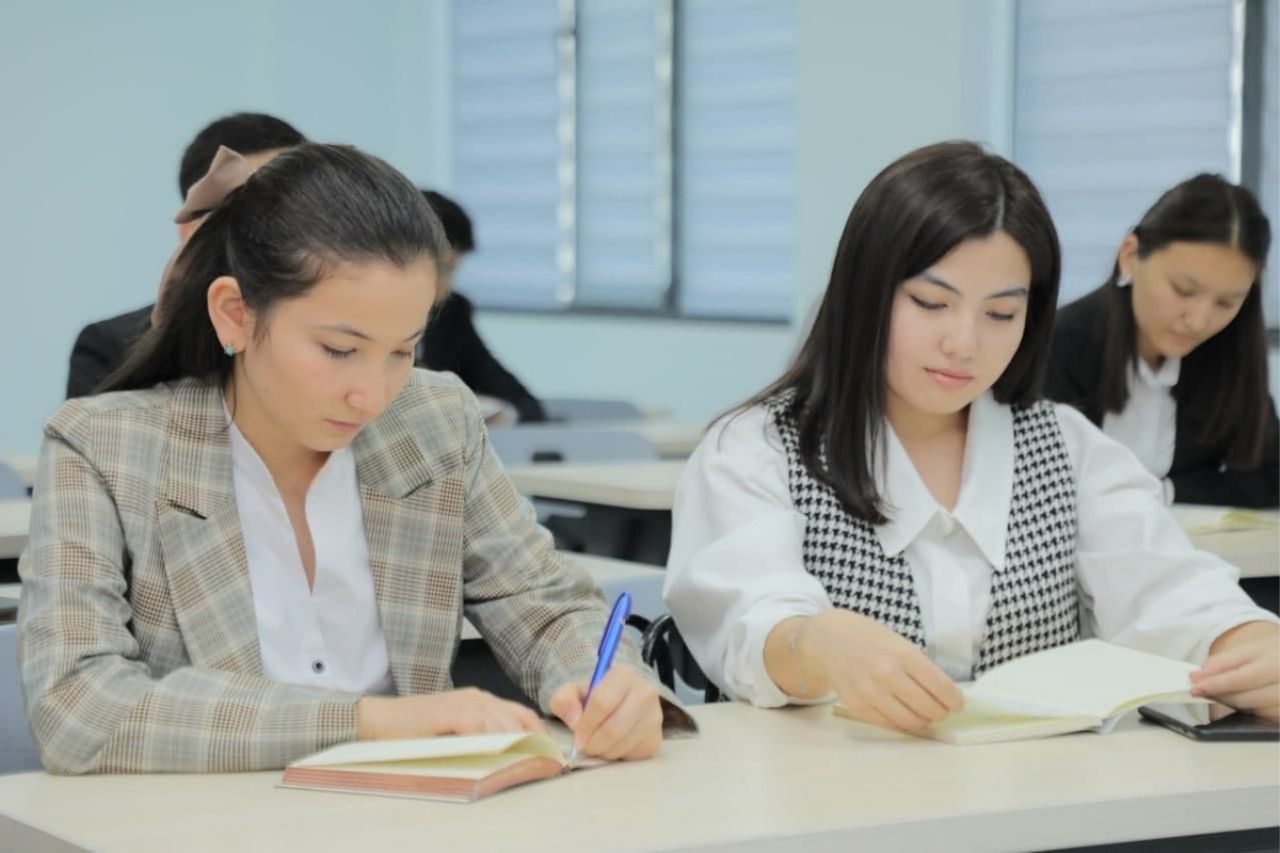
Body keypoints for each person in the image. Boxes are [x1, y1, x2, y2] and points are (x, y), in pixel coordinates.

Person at [20, 143, 685, 775]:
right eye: (340, 350)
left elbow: (546, 607)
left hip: (421, 821)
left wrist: (611, 684)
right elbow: (77, 705)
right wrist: (371, 722)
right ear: (234, 314)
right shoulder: (104, 447)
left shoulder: (434, 420)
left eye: (402, 351)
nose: (372, 395)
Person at [663, 141, 1280, 732]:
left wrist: (1244, 641)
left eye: (1001, 314)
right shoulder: (757, 449)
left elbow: (1167, 589)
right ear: (865, 290)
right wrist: (813, 642)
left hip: (1039, 795)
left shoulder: (1068, 448)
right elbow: (746, 618)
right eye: (931, 303)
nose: (964, 343)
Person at [1046, 175, 1278, 508]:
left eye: (1226, 302)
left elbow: (1270, 476)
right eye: (1184, 290)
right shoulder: (1057, 346)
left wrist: (1165, 492)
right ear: (1130, 255)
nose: (1199, 321)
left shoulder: (1228, 351)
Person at [65, 112, 307, 399]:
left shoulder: (341, 328)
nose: (282, 229)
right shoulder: (111, 347)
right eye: (256, 211)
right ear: (191, 233)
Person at [417, 190, 546, 423]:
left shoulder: (452, 313)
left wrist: (499, 413)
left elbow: (523, 402)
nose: (445, 287)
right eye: (443, 269)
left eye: (453, 270)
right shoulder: (360, 319)